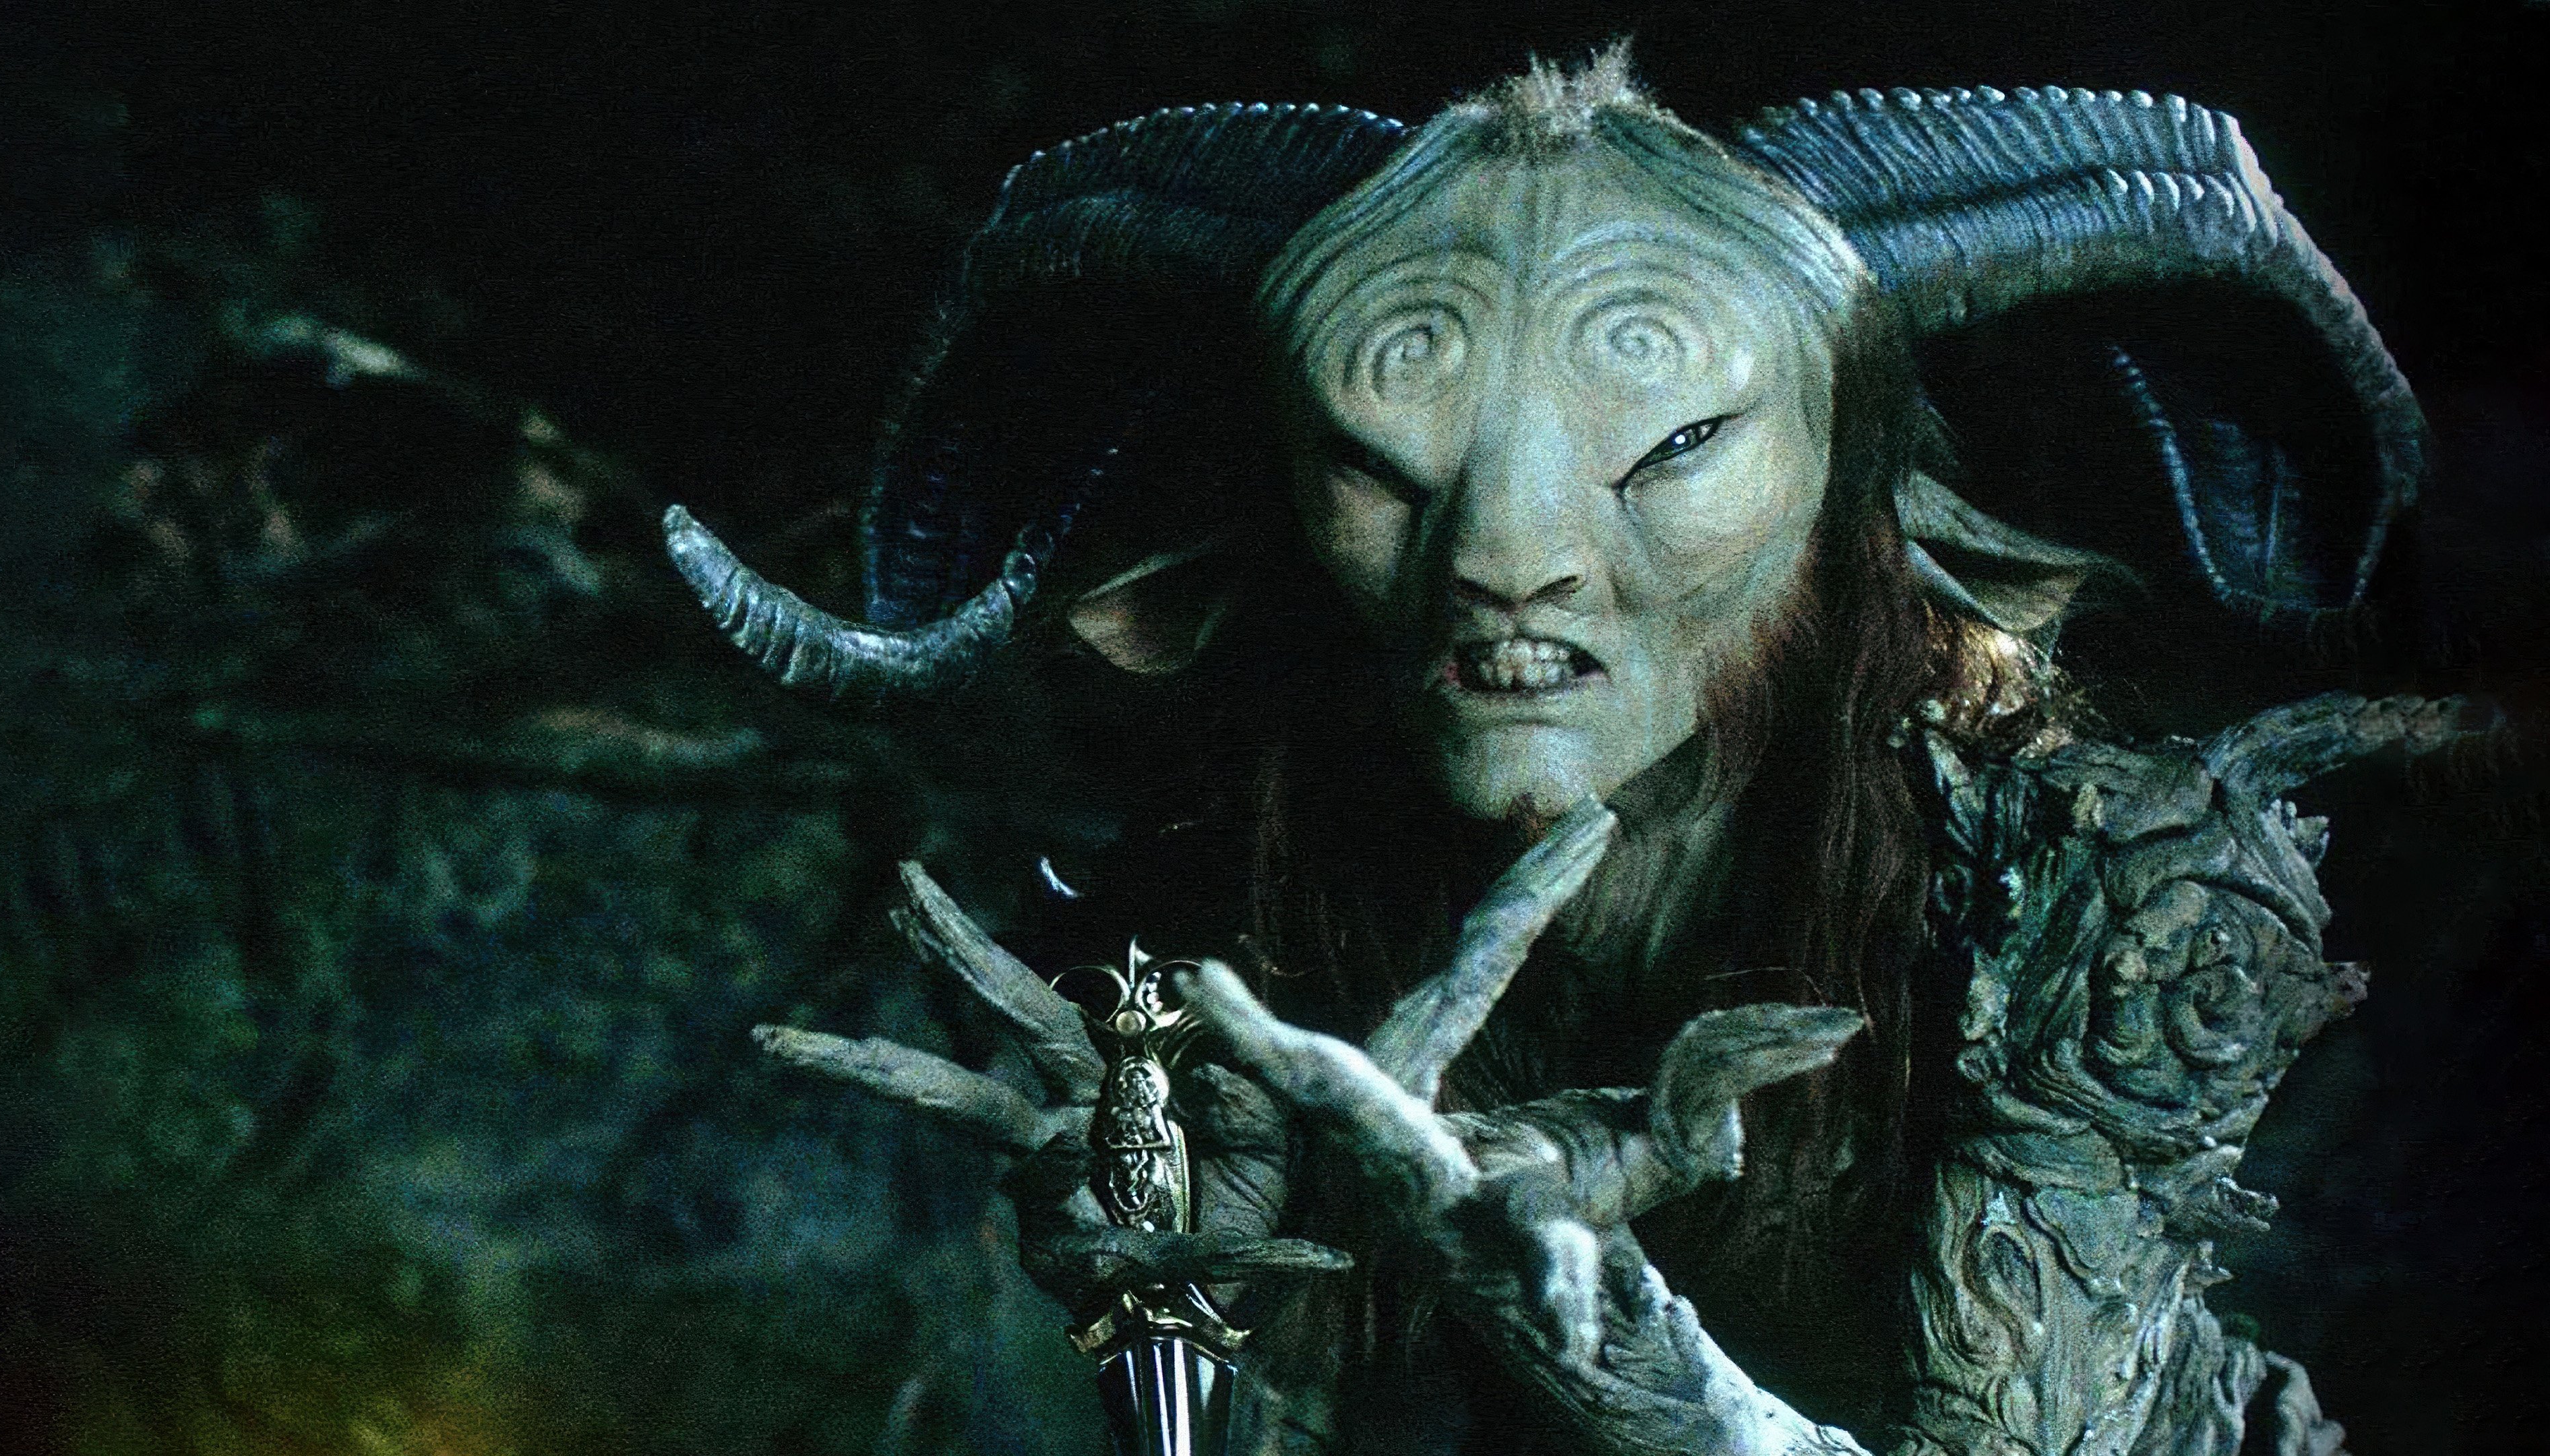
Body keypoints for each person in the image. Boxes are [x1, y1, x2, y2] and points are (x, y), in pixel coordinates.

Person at [669, 46, 2466, 1454]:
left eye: (1674, 444)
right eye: (1384, 466)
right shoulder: (1230, 955)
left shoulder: (2113, 903)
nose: (1506, 555)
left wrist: (1600, 1336)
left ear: (1860, 508)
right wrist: (1182, 1296)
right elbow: (1241, 1414)